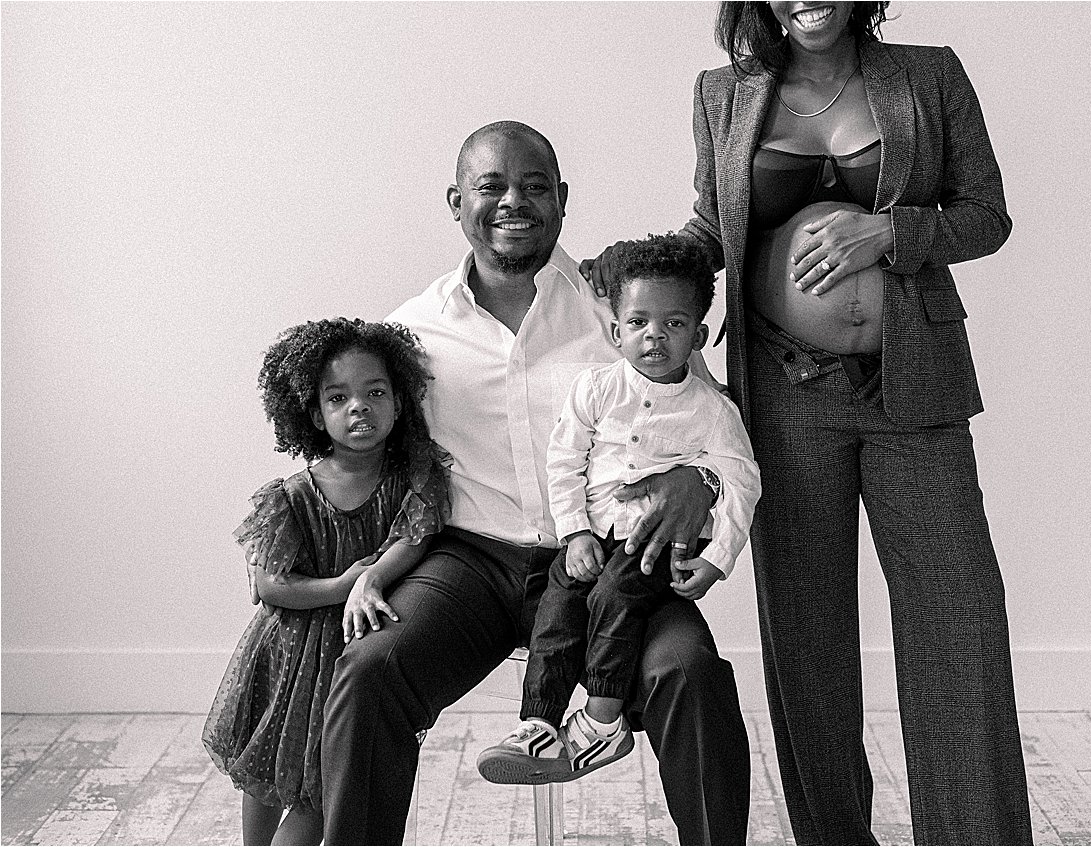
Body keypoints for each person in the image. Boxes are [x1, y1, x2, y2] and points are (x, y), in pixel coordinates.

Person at [581, 3, 1033, 844]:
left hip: (915, 384)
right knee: (807, 635)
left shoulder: (927, 73)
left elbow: (986, 213)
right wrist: (633, 278)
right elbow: (714, 226)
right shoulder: (723, 93)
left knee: (959, 622)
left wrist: (886, 232)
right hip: (784, 391)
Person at [318, 122, 752, 845]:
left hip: (610, 559)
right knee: (368, 672)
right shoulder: (409, 333)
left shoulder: (620, 310)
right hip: (470, 562)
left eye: (534, 185)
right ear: (456, 201)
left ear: (562, 199)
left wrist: (701, 479)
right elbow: (357, 442)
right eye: (490, 186)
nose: (512, 200)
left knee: (690, 672)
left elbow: (712, 422)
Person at [476, 234, 760, 785]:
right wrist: (575, 534)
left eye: (674, 325)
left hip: (656, 542)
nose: (654, 335)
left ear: (699, 335)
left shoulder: (711, 411)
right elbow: (565, 462)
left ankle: (603, 719)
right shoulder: (597, 388)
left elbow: (742, 480)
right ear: (617, 331)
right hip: (594, 535)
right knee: (560, 605)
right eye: (638, 323)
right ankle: (538, 721)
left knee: (614, 595)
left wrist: (718, 558)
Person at [204, 318, 449, 846]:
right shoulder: (293, 495)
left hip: (350, 653)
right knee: (270, 765)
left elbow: (416, 538)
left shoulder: (413, 476)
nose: (358, 407)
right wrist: (348, 584)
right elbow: (273, 585)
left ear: (401, 402)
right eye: (338, 398)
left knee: (322, 781)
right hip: (289, 653)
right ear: (315, 414)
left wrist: (373, 579)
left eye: (375, 392)